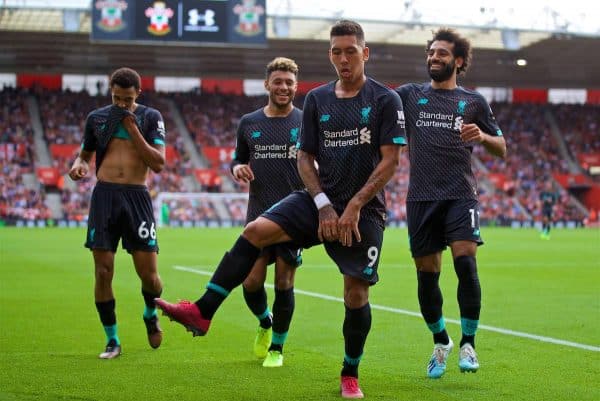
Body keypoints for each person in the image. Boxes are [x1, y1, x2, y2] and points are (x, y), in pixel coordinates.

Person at [156, 20, 406, 399]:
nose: (343, 58)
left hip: (364, 211)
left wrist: (354, 205)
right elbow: (305, 157)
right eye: (336, 51)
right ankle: (203, 311)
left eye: (350, 51)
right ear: (329, 55)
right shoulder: (319, 100)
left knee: (355, 295)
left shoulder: (385, 100)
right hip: (318, 199)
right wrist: (322, 203)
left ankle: (349, 374)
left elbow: (390, 161)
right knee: (255, 231)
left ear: (364, 53)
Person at [396, 28, 507, 379]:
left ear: (458, 61)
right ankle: (441, 341)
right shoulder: (410, 96)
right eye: (431, 53)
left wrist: (483, 135)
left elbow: (501, 148)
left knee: (466, 264)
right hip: (421, 198)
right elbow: (375, 101)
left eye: (441, 53)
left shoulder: (474, 101)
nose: (434, 58)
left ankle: (468, 343)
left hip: (461, 194)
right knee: (427, 278)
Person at [69, 67, 167, 359]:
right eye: (116, 98)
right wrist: (79, 166)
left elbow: (159, 163)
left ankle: (150, 313)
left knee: (150, 278)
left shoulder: (151, 117)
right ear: (110, 92)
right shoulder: (97, 118)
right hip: (105, 197)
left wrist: (132, 126)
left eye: (126, 98)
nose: (121, 104)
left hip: (137, 197)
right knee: (102, 272)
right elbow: (85, 154)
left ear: (138, 93)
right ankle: (112, 340)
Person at [230, 57, 304, 367]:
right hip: (258, 213)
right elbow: (238, 158)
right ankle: (265, 321)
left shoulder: (305, 120)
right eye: (278, 81)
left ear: (296, 86)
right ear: (267, 84)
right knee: (251, 282)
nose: (284, 87)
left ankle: (277, 348)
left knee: (285, 282)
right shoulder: (249, 122)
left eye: (289, 82)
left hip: (294, 215)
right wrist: (237, 168)